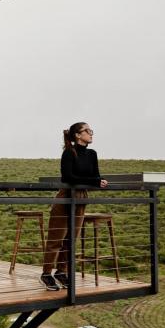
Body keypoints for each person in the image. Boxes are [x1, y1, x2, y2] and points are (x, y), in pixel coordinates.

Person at [40, 122, 108, 291]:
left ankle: (61, 272)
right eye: (88, 131)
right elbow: (69, 177)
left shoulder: (92, 154)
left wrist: (94, 180)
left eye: (91, 130)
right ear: (78, 135)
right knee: (56, 238)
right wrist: (94, 181)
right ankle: (46, 274)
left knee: (71, 239)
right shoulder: (69, 153)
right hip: (66, 196)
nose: (91, 133)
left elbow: (96, 176)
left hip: (81, 197)